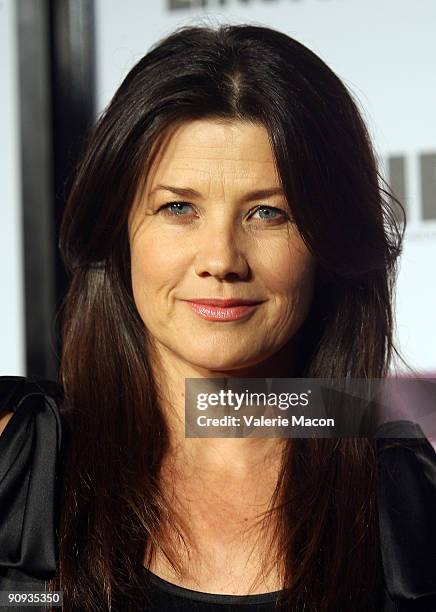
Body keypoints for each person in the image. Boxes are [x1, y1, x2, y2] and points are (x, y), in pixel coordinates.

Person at [1, 23, 436, 612]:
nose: (221, 260)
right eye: (178, 207)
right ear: (119, 230)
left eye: (267, 213)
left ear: (328, 245)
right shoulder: (15, 463)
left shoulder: (413, 504)